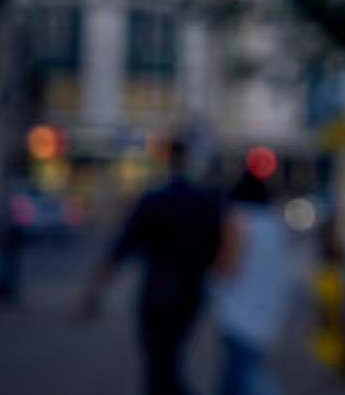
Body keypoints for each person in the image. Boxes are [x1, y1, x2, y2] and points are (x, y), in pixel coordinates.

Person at [79, 140, 223, 395]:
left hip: (157, 293)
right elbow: (217, 253)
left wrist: (93, 293)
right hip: (189, 294)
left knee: (158, 362)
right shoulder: (204, 201)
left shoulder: (154, 199)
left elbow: (120, 249)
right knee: (166, 360)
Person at [211, 169, 293, 395]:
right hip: (268, 309)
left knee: (245, 376)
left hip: (238, 310)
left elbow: (227, 266)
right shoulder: (275, 223)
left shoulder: (239, 220)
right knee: (240, 374)